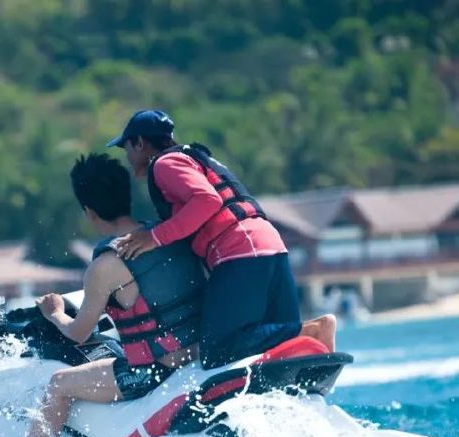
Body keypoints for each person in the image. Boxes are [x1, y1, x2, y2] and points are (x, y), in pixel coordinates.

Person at [107, 109, 336, 368]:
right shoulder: (194, 159)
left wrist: (154, 237)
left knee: (219, 349)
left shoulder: (165, 164)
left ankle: (314, 330)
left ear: (140, 143)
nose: (127, 157)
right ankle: (311, 366)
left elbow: (207, 200)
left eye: (127, 148)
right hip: (269, 246)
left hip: (240, 251)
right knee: (282, 352)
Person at [21, 154, 205, 437]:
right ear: (127, 195)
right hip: (193, 355)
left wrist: (54, 314)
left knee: (58, 384)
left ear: (89, 212)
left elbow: (78, 333)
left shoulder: (106, 265)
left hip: (154, 372)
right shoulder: (167, 235)